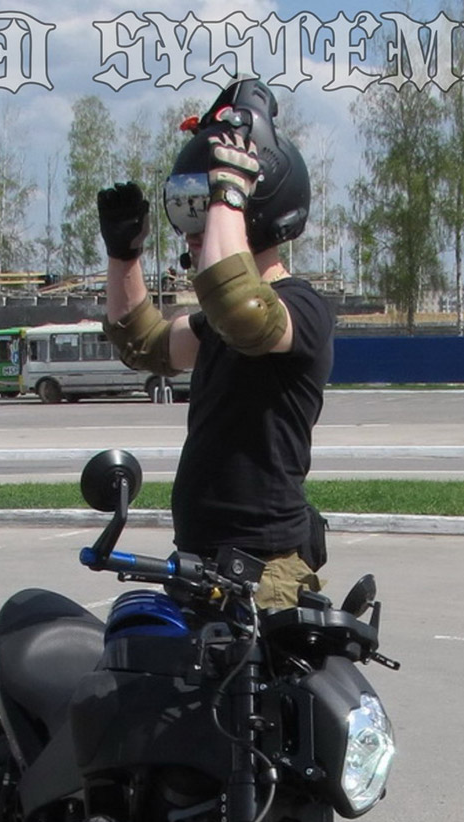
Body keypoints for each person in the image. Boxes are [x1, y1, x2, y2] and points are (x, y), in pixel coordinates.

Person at [97, 78, 333, 610]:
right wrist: (123, 256)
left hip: (264, 575)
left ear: (255, 203)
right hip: (200, 562)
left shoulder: (302, 310)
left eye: (201, 209)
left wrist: (228, 196)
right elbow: (144, 345)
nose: (192, 228)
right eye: (186, 209)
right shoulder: (218, 324)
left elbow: (244, 311)